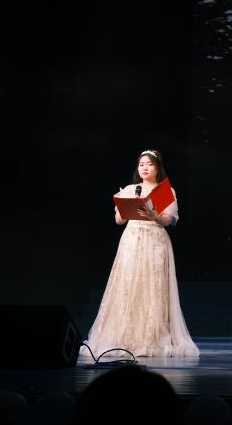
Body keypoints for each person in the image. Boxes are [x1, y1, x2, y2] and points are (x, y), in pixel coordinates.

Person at [86, 149, 199, 357]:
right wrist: (126, 208)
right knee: (128, 285)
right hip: (131, 240)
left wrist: (153, 214)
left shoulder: (165, 190)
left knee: (154, 287)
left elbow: (168, 220)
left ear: (157, 168)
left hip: (155, 240)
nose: (144, 168)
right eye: (141, 164)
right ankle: (124, 336)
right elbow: (119, 220)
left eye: (149, 164)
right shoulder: (130, 189)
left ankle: (151, 337)